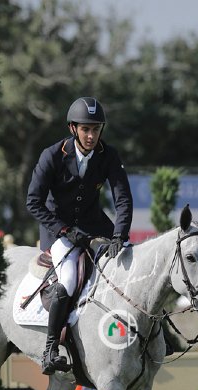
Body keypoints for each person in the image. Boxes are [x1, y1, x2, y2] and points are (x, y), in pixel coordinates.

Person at [26, 97, 133, 375]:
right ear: (73, 128)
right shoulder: (52, 155)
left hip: (93, 224)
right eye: (85, 129)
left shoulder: (108, 155)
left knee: (132, 264)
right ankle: (51, 349)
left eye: (96, 129)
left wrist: (119, 235)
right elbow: (33, 202)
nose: (91, 136)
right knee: (70, 278)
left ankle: (158, 334)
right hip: (58, 227)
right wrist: (63, 230)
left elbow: (123, 199)